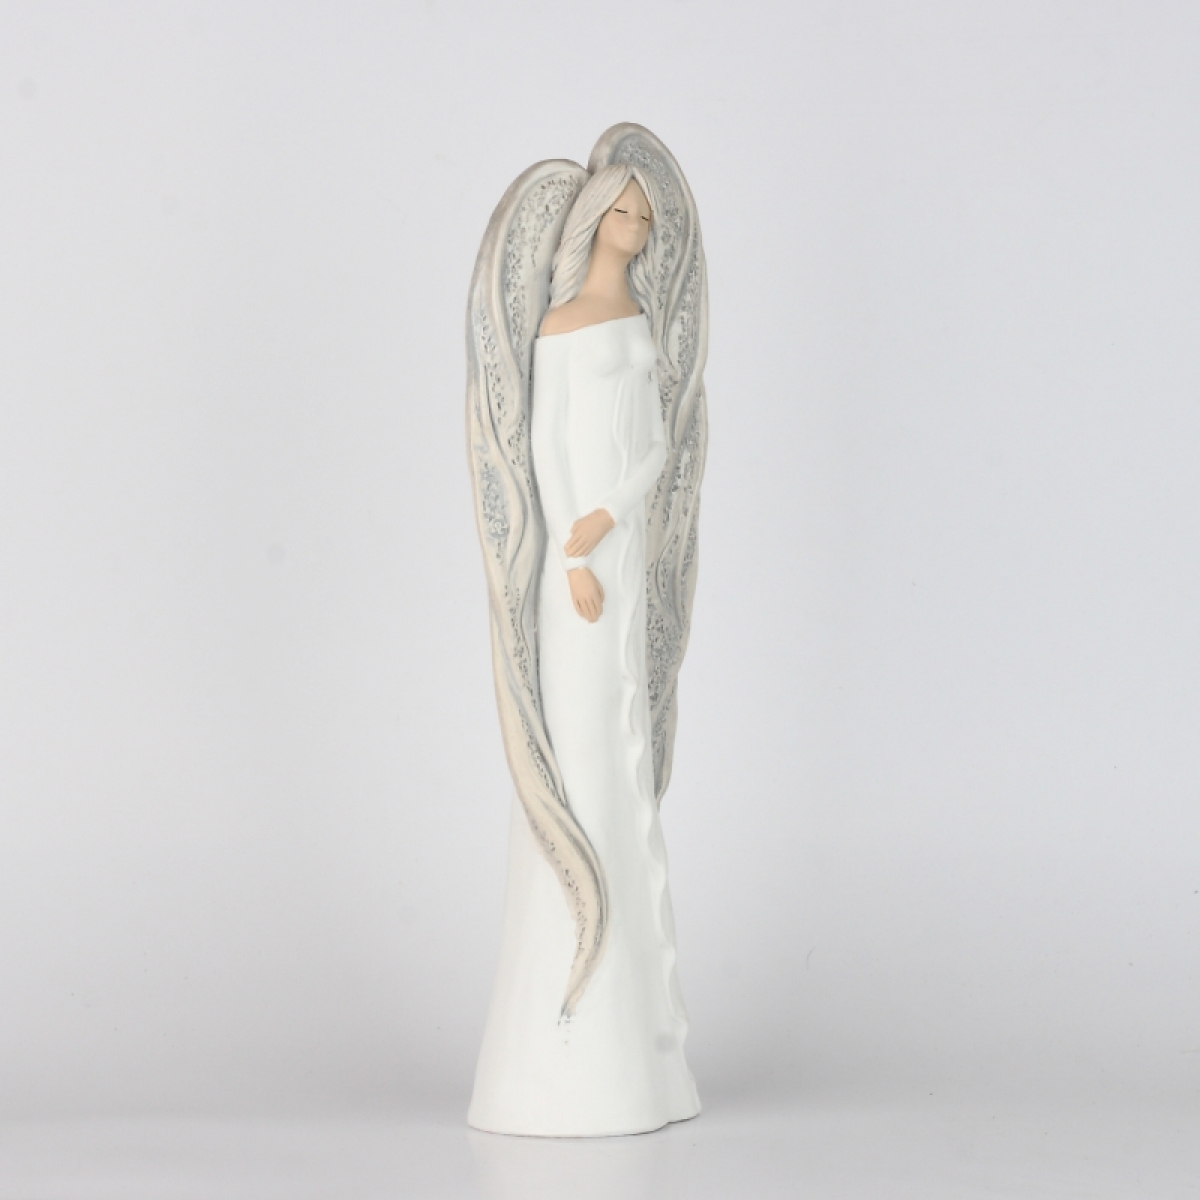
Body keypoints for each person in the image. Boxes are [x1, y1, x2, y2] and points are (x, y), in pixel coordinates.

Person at [467, 166, 702, 1137]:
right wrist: (572, 552)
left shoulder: (640, 322)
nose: (637, 226)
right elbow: (547, 448)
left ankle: (636, 1047)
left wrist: (615, 515)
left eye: (646, 215)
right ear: (593, 219)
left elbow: (656, 444)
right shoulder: (559, 327)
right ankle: (558, 1022)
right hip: (576, 571)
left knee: (624, 758)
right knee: (580, 758)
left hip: (622, 548)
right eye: (623, 211)